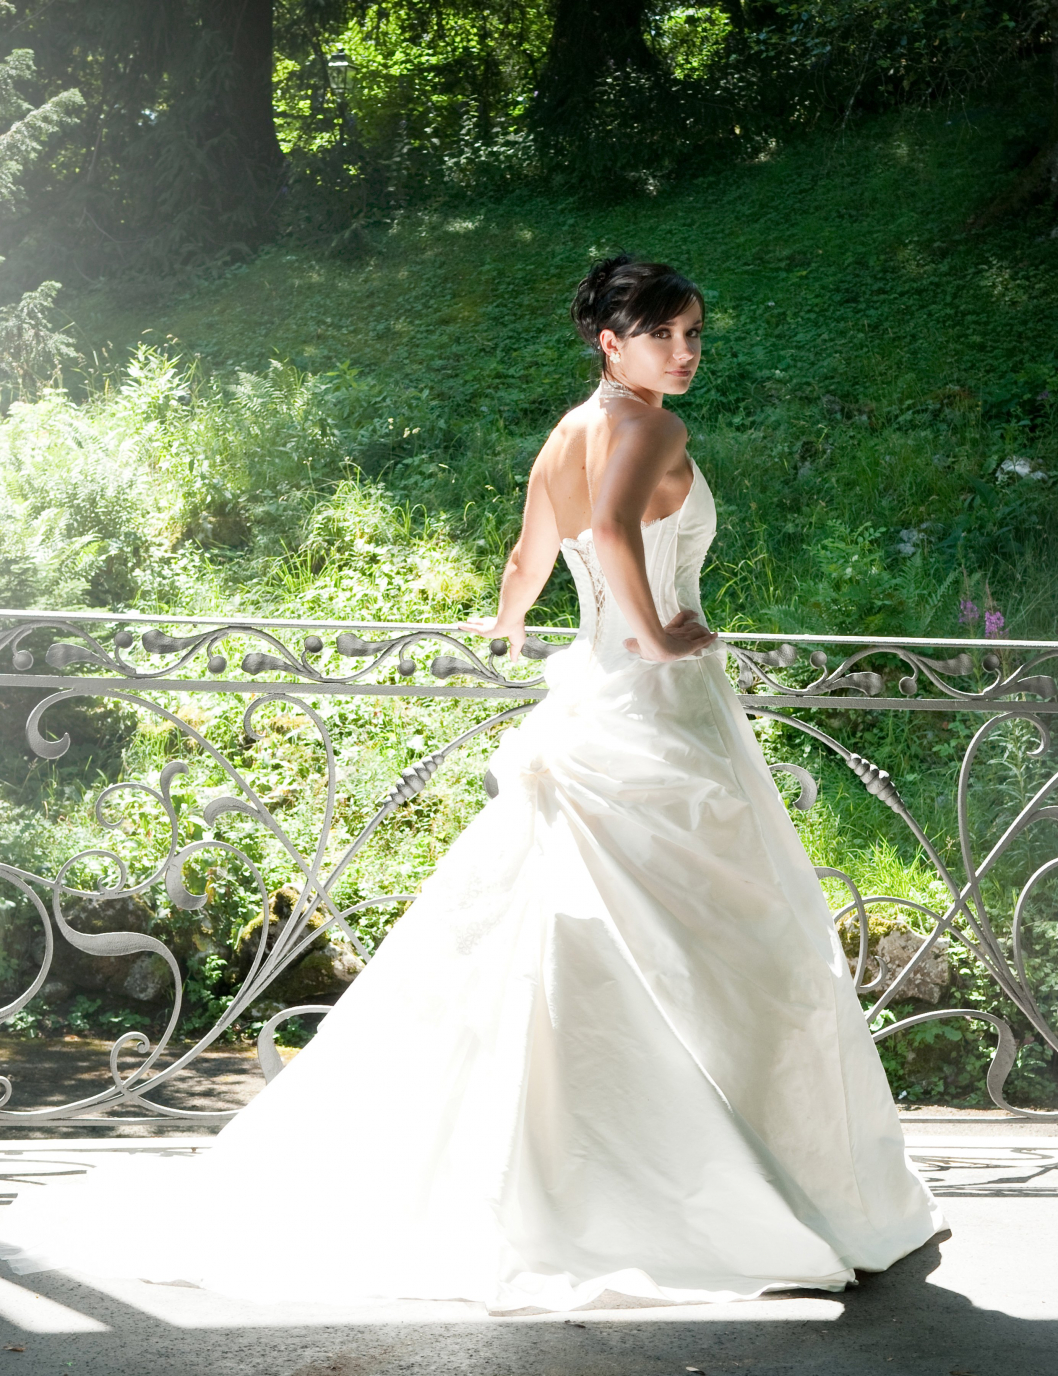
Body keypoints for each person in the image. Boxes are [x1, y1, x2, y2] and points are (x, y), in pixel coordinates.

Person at [0, 255, 942, 1313]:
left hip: (588, 696)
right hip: (655, 708)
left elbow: (527, 559)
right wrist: (653, 635)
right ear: (611, 340)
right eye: (667, 333)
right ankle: (728, 1177)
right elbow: (617, 535)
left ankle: (582, 1160)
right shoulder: (651, 429)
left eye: (692, 335)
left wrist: (506, 633)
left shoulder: (562, 436)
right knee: (741, 945)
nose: (685, 352)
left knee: (583, 936)